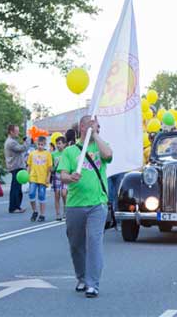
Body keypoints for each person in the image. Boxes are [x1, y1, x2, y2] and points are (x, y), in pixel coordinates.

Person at [58, 116, 113, 298]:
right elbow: (62, 175)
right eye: (91, 124)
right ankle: (81, 277)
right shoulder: (70, 151)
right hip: (75, 204)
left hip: (97, 203)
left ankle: (92, 284)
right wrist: (70, 177)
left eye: (97, 124)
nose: (95, 126)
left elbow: (109, 156)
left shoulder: (100, 146)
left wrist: (96, 135)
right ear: (82, 126)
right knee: (76, 244)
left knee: (94, 242)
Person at [4, 124, 30, 214]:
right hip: (15, 166)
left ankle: (17, 206)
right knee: (15, 188)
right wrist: (27, 142)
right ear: (11, 132)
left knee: (17, 188)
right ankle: (14, 207)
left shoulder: (12, 141)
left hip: (16, 166)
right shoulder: (11, 142)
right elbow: (22, 148)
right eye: (16, 131)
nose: (18, 133)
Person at [26, 136, 52, 222]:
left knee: (41, 195)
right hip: (33, 177)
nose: (40, 146)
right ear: (36, 144)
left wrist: (48, 177)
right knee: (31, 193)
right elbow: (29, 166)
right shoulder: (32, 153)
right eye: (39, 144)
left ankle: (42, 214)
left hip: (43, 178)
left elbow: (49, 168)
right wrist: (27, 175)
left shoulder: (47, 154)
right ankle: (35, 211)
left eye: (42, 144)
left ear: (45, 145)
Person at [52, 136, 67, 221]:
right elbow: (51, 166)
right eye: (57, 144)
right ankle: (58, 213)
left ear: (64, 144)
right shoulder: (54, 154)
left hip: (65, 175)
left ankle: (65, 209)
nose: (58, 145)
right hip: (57, 175)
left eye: (60, 143)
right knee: (57, 194)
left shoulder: (66, 153)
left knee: (64, 193)